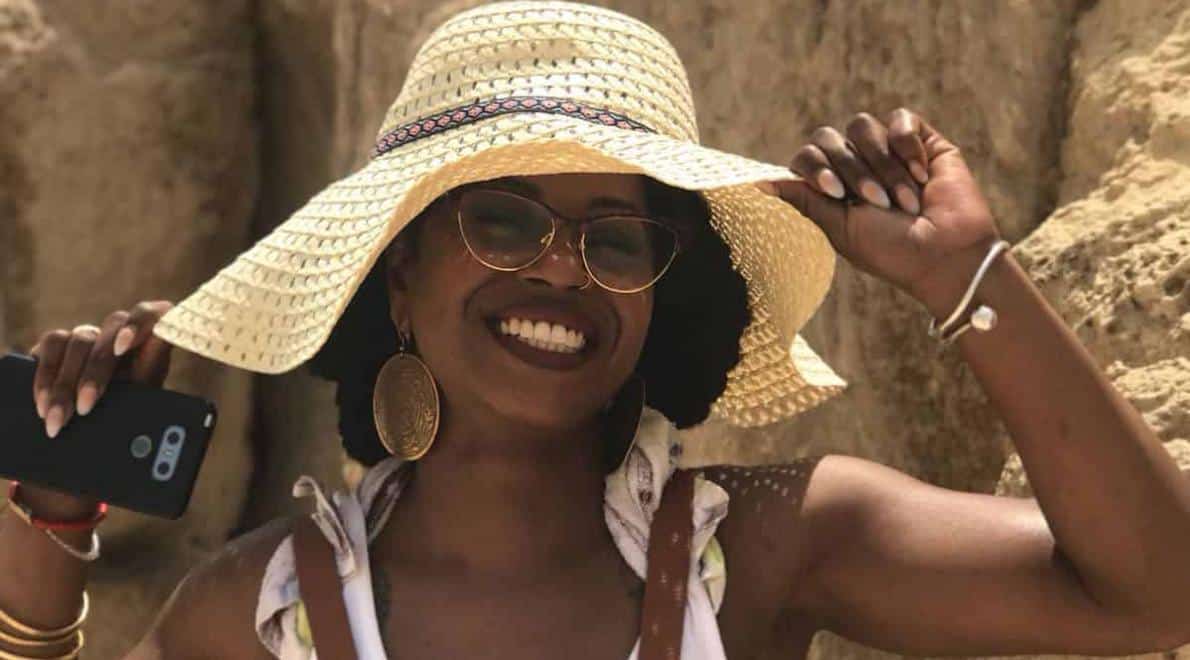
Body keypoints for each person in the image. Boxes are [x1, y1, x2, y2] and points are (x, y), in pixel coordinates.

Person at [2, 2, 1188, 659]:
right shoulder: (260, 612)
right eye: (504, 222)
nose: (562, 269)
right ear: (399, 272)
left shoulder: (770, 546)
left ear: (658, 297)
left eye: (616, 241)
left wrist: (964, 274)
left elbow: (1153, 595)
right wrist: (53, 520)